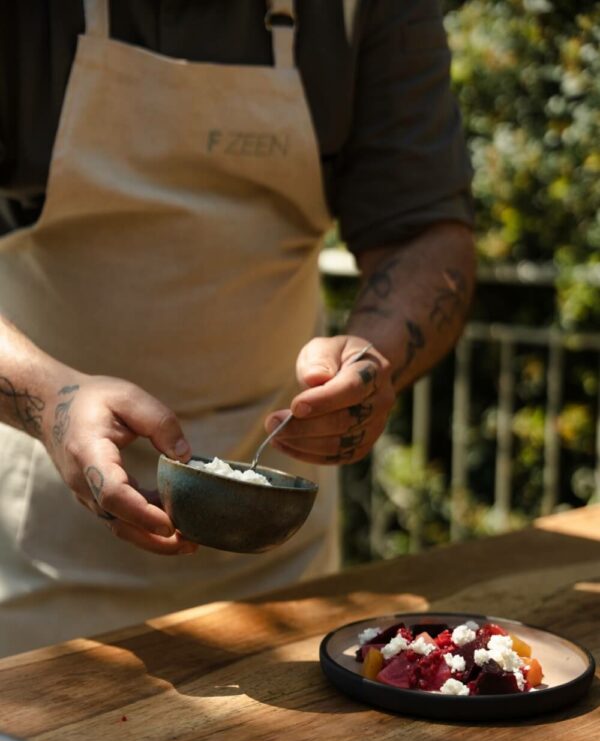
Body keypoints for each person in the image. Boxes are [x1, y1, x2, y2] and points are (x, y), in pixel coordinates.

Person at [0, 0, 475, 655]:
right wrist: (48, 397)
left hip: (284, 575)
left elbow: (424, 231)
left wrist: (378, 351)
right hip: (36, 565)